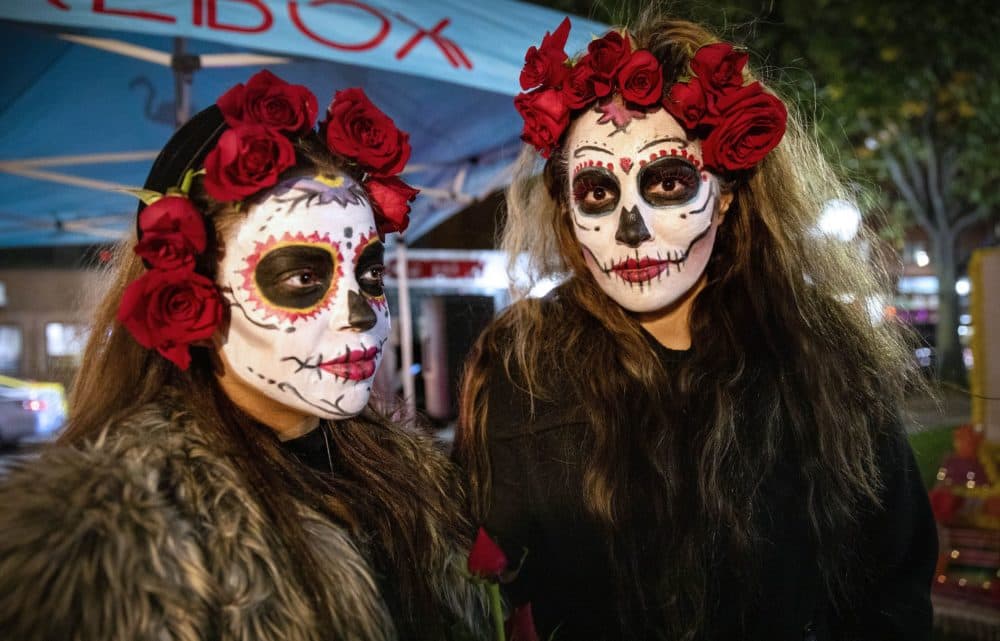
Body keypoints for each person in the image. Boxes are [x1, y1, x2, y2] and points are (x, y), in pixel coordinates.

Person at [453, 14, 938, 641]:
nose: (633, 230)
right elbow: (491, 583)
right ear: (567, 210)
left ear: (728, 190)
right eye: (598, 192)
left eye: (668, 182)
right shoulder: (522, 362)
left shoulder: (823, 355)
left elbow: (891, 582)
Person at [0, 71, 485, 641]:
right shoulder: (114, 537)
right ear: (190, 297)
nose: (361, 312)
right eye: (304, 276)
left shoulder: (407, 473)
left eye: (370, 272)